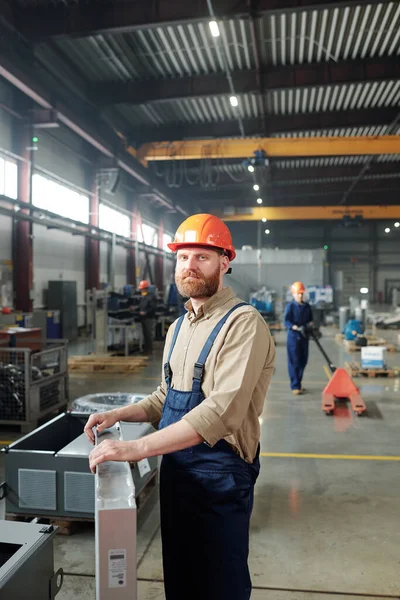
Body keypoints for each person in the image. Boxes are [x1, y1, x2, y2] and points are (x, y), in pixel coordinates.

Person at [84, 213, 275, 600]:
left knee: (219, 584)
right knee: (183, 580)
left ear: (224, 262)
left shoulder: (243, 323)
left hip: (221, 478)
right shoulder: (178, 327)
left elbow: (222, 412)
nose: (190, 266)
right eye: (183, 257)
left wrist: (135, 449)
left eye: (202, 257)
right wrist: (119, 414)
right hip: (178, 473)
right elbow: (166, 396)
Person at [284, 281, 313, 395]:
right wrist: (295, 327)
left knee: (303, 361)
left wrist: (309, 326)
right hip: (293, 338)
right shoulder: (290, 306)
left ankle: (299, 384)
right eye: (298, 293)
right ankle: (295, 386)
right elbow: (286, 322)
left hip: (304, 337)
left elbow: (310, 320)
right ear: (293, 294)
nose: (300, 296)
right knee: (294, 361)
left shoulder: (307, 307)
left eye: (301, 293)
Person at [137, 279, 155, 355]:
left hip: (149, 318)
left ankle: (149, 350)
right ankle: (146, 350)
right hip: (143, 318)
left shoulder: (151, 297)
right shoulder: (143, 296)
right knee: (145, 334)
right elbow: (141, 306)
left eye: (142, 289)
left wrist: (145, 312)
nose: (141, 290)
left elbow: (152, 308)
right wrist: (135, 309)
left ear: (145, 288)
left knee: (148, 334)